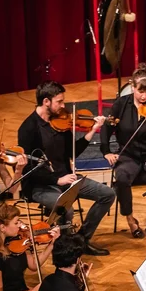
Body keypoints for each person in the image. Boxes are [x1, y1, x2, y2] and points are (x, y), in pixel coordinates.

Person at [17, 81, 116, 256]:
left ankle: (81, 240)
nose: (63, 106)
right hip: (40, 186)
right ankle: (65, 251)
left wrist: (93, 129)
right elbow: (29, 170)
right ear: (46, 101)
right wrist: (56, 180)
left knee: (107, 194)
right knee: (66, 209)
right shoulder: (28, 129)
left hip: (67, 178)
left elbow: (73, 152)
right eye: (59, 102)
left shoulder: (60, 121)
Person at [101, 65, 146, 239]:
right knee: (122, 178)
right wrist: (106, 151)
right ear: (132, 88)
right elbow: (106, 128)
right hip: (128, 155)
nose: (145, 96)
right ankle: (130, 220)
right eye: (141, 91)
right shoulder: (121, 104)